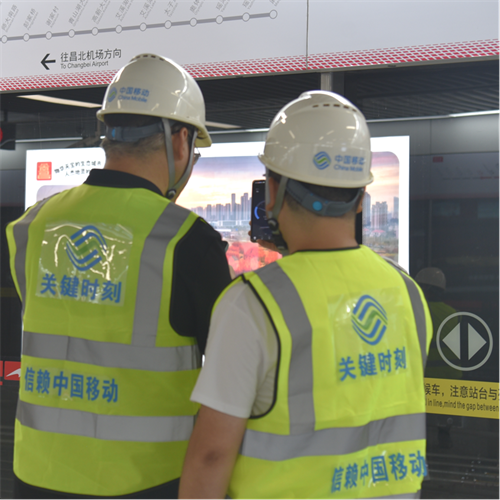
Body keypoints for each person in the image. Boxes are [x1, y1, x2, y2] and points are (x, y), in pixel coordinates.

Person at [179, 91, 432, 499]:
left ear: (272, 191)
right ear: (361, 199)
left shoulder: (251, 304)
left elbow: (211, 455)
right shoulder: (408, 294)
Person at [6, 53, 232, 499]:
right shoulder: (187, 240)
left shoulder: (31, 226)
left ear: (108, 134)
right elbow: (230, 376)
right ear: (180, 141)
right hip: (146, 482)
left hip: (35, 476)